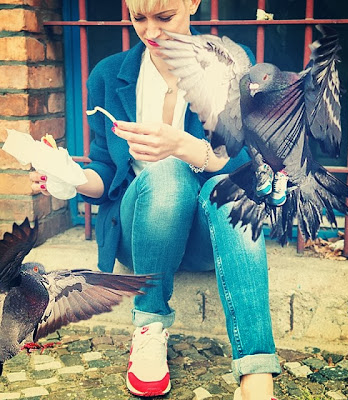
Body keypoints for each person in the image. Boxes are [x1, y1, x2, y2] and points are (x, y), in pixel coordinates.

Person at [30, 0, 281, 398]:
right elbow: (105, 172)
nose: (151, 32)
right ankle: (149, 326)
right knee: (165, 173)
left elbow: (250, 162)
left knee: (231, 193)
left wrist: (184, 147)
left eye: (165, 17)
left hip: (209, 234)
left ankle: (257, 371)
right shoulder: (108, 75)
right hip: (141, 234)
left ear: (193, 3)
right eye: (138, 18)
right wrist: (70, 177)